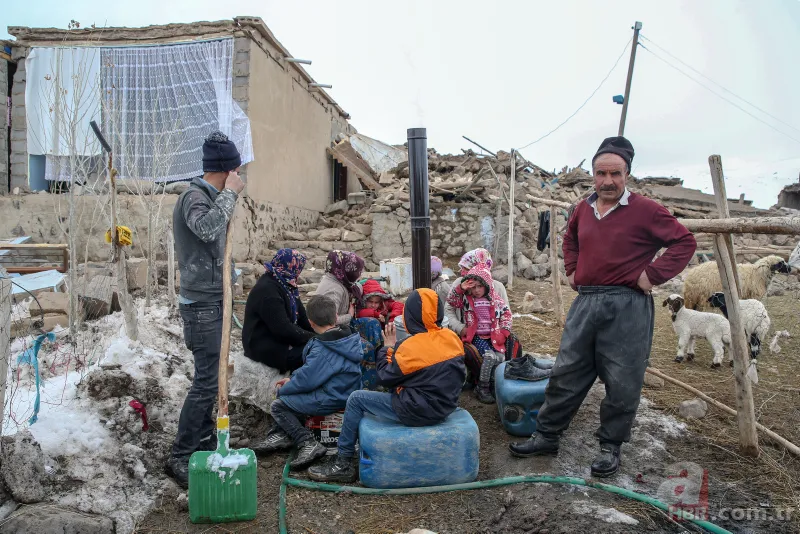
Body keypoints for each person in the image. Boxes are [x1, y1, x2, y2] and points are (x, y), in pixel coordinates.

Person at [509, 136, 696, 478]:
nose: (608, 181)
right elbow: (570, 239)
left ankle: (610, 447)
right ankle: (547, 435)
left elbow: (684, 242)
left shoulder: (645, 210)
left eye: (616, 173)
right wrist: (571, 269)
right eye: (601, 173)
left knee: (623, 381)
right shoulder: (583, 208)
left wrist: (651, 275)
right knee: (566, 372)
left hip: (627, 306)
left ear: (627, 174)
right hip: (586, 302)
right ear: (593, 175)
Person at [307, 288, 466, 483]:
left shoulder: (411, 347)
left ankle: (343, 462)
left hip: (417, 410)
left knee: (357, 399)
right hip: (445, 407)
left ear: (410, 316)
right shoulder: (452, 339)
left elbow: (384, 376)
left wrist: (386, 348)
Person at [165, 131, 246, 488]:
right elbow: (207, 228)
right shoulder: (193, 198)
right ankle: (181, 455)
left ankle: (204, 443)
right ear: (228, 169)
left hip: (214, 301)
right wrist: (230, 193)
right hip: (200, 307)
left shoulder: (210, 197)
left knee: (213, 380)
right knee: (205, 383)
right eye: (236, 170)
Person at [250, 295, 363, 470]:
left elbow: (308, 380)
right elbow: (314, 374)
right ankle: (284, 433)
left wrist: (287, 387)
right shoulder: (348, 338)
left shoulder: (323, 347)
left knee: (279, 405)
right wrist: (293, 379)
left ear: (310, 323)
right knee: (292, 395)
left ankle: (307, 442)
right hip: (345, 391)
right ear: (335, 318)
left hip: (331, 396)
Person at [445, 248, 522, 387]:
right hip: (468, 334)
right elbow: (449, 308)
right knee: (478, 353)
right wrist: (461, 328)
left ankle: (502, 378)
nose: (476, 289)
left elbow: (506, 314)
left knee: (511, 344)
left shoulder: (496, 288)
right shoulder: (461, 286)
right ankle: (478, 381)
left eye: (466, 267)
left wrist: (503, 332)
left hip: (492, 334)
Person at [317, 250, 383, 389]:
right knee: (365, 347)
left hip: (344, 326)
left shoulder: (339, 279)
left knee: (373, 324)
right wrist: (349, 315)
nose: (358, 275)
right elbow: (327, 322)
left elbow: (355, 286)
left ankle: (380, 370)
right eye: (356, 271)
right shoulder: (333, 290)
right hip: (333, 333)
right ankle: (363, 387)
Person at [241, 249, 314, 373]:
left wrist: (322, 335)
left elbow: (302, 318)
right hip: (264, 345)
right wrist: (314, 338)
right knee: (316, 353)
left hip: (278, 339)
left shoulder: (286, 285)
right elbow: (283, 329)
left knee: (320, 348)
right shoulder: (267, 291)